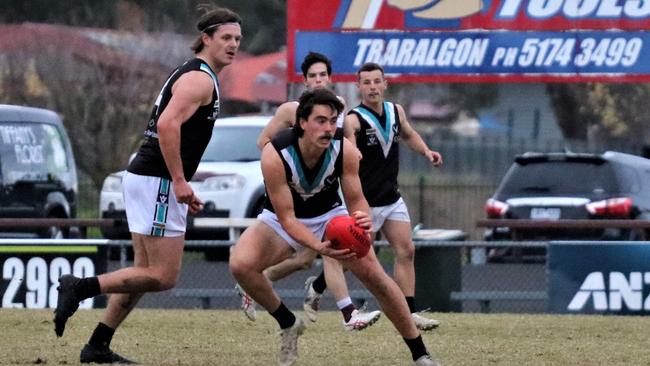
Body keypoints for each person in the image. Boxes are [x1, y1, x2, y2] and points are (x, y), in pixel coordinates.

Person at [52, 6, 242, 364]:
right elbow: (168, 126)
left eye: (237, 39)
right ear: (206, 39)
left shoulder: (197, 76)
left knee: (141, 273)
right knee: (163, 276)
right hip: (158, 180)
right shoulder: (199, 78)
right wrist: (180, 181)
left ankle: (97, 346)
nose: (233, 45)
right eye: (226, 38)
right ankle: (78, 287)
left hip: (149, 177)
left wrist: (179, 183)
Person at [229, 88, 438, 366]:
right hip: (283, 217)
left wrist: (361, 218)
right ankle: (288, 322)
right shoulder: (275, 153)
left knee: (377, 278)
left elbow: (356, 199)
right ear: (302, 122)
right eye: (320, 121)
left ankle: (420, 354)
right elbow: (288, 218)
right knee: (241, 265)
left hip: (330, 215)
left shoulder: (345, 150)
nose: (328, 128)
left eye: (332, 121)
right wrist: (317, 247)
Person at [238, 52, 380, 331]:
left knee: (320, 254)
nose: (318, 80)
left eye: (322, 75)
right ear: (304, 81)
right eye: (312, 76)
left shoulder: (339, 108)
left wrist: (353, 154)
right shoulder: (291, 111)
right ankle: (343, 310)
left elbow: (347, 142)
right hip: (294, 199)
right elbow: (263, 141)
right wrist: (289, 163)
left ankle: (312, 295)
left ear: (331, 78)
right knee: (317, 255)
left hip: (325, 196)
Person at [343, 62, 444, 330]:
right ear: (359, 87)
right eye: (367, 82)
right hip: (365, 202)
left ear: (385, 84)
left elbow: (409, 135)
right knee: (354, 259)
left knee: (406, 251)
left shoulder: (395, 111)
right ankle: (320, 286)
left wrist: (426, 152)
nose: (373, 87)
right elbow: (348, 152)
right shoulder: (353, 120)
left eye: (377, 81)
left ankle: (409, 312)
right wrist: (353, 154)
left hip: (391, 198)